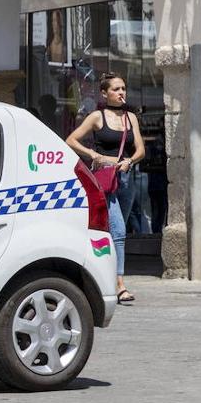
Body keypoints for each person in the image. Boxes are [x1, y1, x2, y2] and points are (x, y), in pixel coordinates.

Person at [66, 72, 146, 305]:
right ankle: (119, 284)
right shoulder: (96, 117)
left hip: (126, 179)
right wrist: (95, 155)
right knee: (118, 231)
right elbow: (71, 140)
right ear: (105, 93)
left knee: (114, 231)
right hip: (106, 180)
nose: (122, 93)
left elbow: (140, 149)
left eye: (124, 89)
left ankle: (104, 276)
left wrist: (130, 161)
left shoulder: (131, 118)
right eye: (116, 89)